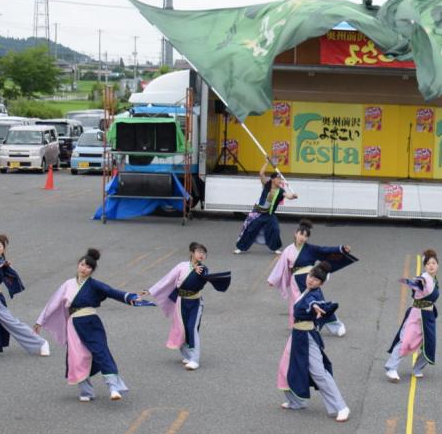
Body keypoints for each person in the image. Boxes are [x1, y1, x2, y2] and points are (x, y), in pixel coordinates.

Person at [33, 248, 147, 403]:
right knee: (76, 357)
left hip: (91, 322)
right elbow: (54, 302)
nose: (83, 268)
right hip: (74, 325)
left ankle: (114, 387)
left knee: (101, 351)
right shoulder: (68, 284)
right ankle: (86, 391)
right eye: (82, 265)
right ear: (78, 265)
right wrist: (40, 320)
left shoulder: (94, 285)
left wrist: (131, 297)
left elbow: (111, 292)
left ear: (92, 271)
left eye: (88, 267)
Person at [277, 261, 350, 422]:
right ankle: (296, 401)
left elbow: (315, 303)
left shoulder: (315, 294)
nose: (311, 280)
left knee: (319, 374)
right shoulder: (307, 290)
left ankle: (341, 406)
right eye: (311, 276)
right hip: (296, 336)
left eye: (316, 280)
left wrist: (315, 307)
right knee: (285, 367)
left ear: (321, 283)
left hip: (307, 337)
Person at [147, 242, 231, 371]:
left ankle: (195, 359)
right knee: (181, 329)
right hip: (181, 302)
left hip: (195, 303)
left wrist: (198, 270)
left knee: (192, 328)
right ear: (192, 252)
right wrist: (150, 290)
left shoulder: (203, 269)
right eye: (199, 252)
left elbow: (204, 275)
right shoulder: (182, 266)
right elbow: (168, 279)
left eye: (204, 253)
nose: (202, 255)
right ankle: (187, 355)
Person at [268, 219, 356, 336]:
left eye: (306, 236)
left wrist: (341, 249)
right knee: (297, 303)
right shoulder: (288, 250)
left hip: (310, 279)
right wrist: (273, 280)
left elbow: (325, 250)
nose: (303, 238)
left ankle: (337, 325)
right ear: (296, 233)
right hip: (296, 281)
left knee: (318, 302)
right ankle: (299, 325)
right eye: (301, 234)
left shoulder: (311, 249)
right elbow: (281, 266)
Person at [384, 249, 440, 382]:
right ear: (424, 266)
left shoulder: (434, 279)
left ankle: (417, 368)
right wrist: (413, 283)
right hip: (416, 315)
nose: (431, 265)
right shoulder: (424, 278)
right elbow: (418, 282)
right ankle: (391, 368)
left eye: (433, 263)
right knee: (406, 340)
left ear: (437, 265)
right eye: (428, 263)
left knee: (430, 345)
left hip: (428, 317)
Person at [235, 160, 297, 255]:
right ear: (272, 179)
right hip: (258, 213)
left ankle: (275, 248)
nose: (280, 180)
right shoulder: (266, 185)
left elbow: (289, 196)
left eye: (280, 179)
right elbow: (261, 173)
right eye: (278, 178)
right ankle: (241, 248)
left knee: (275, 229)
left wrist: (293, 196)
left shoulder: (281, 191)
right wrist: (267, 162)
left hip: (270, 214)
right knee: (250, 229)